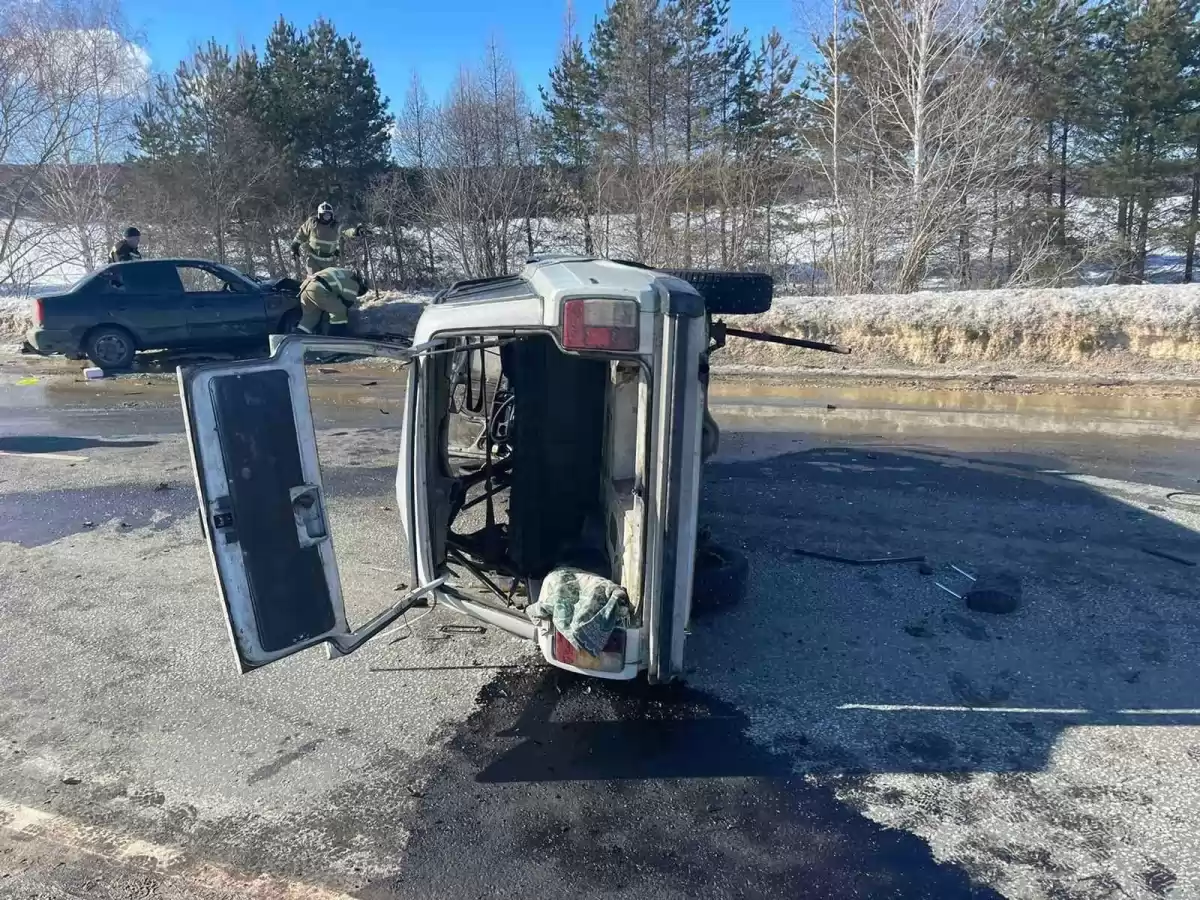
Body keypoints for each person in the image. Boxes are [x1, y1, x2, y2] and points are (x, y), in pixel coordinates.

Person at [290, 202, 371, 274]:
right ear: (320, 215)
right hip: (313, 260)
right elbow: (301, 234)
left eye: (329, 215)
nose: (327, 217)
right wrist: (295, 246)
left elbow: (346, 230)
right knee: (315, 281)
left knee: (330, 283)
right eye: (325, 215)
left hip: (329, 261)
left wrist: (356, 232)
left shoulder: (335, 225)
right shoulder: (313, 223)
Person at [296, 266, 368, 337]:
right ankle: (335, 338)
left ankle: (297, 337)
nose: (356, 294)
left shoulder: (344, 273)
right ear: (360, 285)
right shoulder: (353, 284)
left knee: (310, 319)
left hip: (306, 288)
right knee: (340, 312)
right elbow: (347, 304)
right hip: (319, 289)